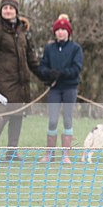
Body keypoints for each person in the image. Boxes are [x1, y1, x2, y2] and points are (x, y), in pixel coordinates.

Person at [0, 0, 41, 161]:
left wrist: (44, 75)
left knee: (17, 116)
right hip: (2, 83)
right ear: (1, 11)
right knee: (1, 117)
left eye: (11, 8)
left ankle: (12, 151)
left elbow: (30, 57)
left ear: (16, 11)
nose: (8, 11)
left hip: (20, 83)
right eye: (5, 8)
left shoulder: (21, 30)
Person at [37, 14, 83, 164]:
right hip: (54, 89)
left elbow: (77, 68)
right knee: (52, 121)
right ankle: (49, 154)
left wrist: (62, 73)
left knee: (68, 120)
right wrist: (48, 73)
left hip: (69, 88)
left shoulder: (76, 48)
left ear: (68, 32)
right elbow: (42, 66)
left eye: (64, 29)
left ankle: (66, 155)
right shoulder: (49, 48)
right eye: (58, 30)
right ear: (55, 32)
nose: (61, 32)